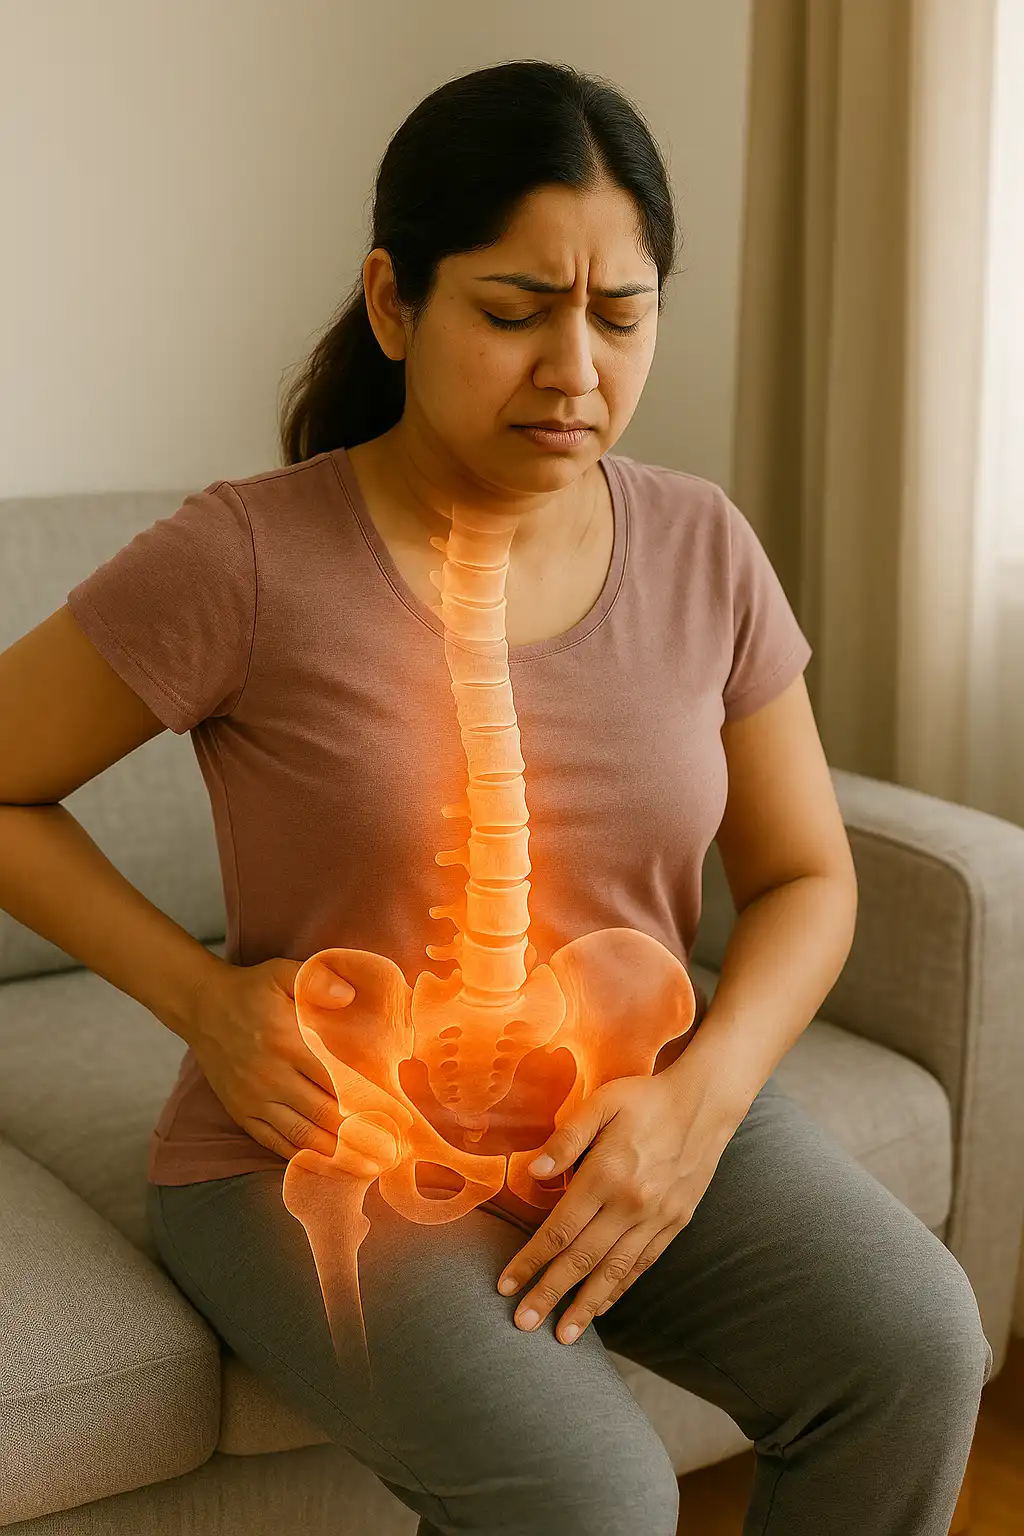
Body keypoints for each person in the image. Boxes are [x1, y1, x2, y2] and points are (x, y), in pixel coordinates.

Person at [0, 58, 991, 1536]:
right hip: (324, 1153)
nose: (576, 371)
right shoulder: (247, 561)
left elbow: (807, 877)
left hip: (639, 1101)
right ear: (395, 304)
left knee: (917, 1347)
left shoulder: (704, 545)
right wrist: (202, 999)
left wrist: (698, 1106)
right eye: (516, 314)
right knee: (588, 1498)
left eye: (622, 313)